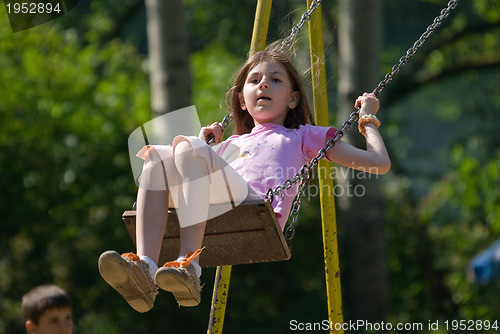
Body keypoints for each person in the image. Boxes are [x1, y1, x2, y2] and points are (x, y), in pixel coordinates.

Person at [98, 46, 391, 312]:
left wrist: (367, 120)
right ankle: (145, 270)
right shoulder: (229, 145)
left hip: (255, 205)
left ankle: (189, 265)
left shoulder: (303, 135)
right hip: (217, 203)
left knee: (189, 148)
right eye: (254, 80)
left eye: (275, 80)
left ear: (293, 99)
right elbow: (194, 177)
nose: (263, 84)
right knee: (155, 161)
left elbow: (379, 164)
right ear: (242, 98)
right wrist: (201, 146)